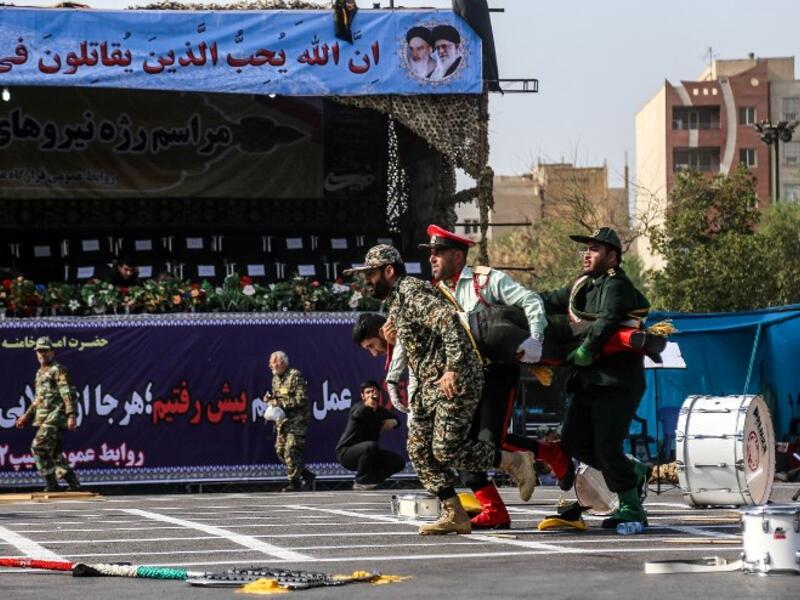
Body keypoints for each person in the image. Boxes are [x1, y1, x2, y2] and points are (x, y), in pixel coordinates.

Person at [344, 245, 536, 536]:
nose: (367, 280)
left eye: (371, 273)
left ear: (389, 271)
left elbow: (448, 323)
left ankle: (514, 461)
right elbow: (417, 339)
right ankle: (454, 512)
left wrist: (453, 368)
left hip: (455, 377)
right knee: (419, 450)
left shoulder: (410, 292)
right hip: (429, 384)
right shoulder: (397, 300)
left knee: (446, 449)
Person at [418, 224, 575, 529]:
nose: (432, 259)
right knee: (460, 446)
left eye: (438, 253)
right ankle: (495, 511)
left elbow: (531, 301)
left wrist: (536, 340)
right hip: (462, 376)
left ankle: (553, 454)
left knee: (492, 440)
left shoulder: (485, 280)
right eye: (430, 254)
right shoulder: (435, 294)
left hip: (495, 371)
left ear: (457, 255)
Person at [540, 227, 651, 529]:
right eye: (585, 249)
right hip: (589, 380)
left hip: (617, 381)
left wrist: (587, 349)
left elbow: (608, 319)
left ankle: (631, 507)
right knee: (574, 440)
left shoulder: (617, 285)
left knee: (606, 445)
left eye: (595, 249)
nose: (586, 254)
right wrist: (513, 299)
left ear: (612, 257)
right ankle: (633, 472)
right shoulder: (582, 285)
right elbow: (550, 299)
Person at [15, 336, 81, 492]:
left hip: (57, 416)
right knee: (54, 452)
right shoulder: (39, 373)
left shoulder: (57, 369)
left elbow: (67, 393)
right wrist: (26, 416)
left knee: (38, 445)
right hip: (43, 417)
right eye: (39, 351)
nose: (41, 354)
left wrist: (71, 415)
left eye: (45, 351)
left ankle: (51, 483)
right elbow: (38, 399)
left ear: (52, 352)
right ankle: (73, 483)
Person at [336, 380, 405, 490]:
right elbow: (357, 414)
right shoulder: (358, 407)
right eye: (367, 392)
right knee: (370, 446)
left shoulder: (381, 411)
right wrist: (367, 406)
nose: (371, 395)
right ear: (362, 396)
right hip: (347, 453)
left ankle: (372, 480)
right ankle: (360, 481)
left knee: (398, 462)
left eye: (374, 392)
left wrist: (393, 422)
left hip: (369, 455)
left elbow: (398, 419)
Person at [267, 351, 316, 492]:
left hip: (298, 419)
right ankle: (306, 474)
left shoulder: (295, 376)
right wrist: (271, 400)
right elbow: (277, 396)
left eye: (273, 361)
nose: (271, 365)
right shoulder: (275, 379)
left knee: (291, 449)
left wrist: (281, 402)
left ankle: (294, 483)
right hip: (283, 421)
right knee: (280, 450)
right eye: (271, 362)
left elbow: (301, 398)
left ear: (282, 363)